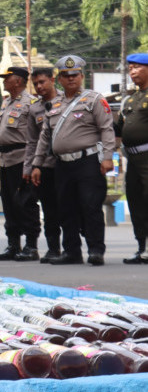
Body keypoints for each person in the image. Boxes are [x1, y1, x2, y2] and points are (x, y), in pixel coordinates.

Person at [31, 55, 115, 266]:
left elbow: (106, 129)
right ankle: (72, 252)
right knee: (65, 208)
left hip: (88, 162)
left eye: (75, 75)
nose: (71, 79)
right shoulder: (54, 105)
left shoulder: (94, 99)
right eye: (66, 76)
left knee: (90, 207)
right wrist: (37, 164)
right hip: (62, 165)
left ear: (82, 76)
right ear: (59, 79)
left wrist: (107, 157)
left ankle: (96, 250)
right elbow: (44, 137)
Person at [0, 67, 41, 262]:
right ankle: (13, 244)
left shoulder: (30, 103)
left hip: (22, 159)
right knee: (9, 202)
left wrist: (34, 163)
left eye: (7, 78)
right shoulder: (6, 102)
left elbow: (38, 135)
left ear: (19, 81)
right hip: (5, 161)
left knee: (25, 202)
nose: (4, 81)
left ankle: (31, 246)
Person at [26, 67, 63, 263]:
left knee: (69, 207)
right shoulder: (34, 109)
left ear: (52, 80)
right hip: (45, 167)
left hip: (67, 164)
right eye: (36, 83)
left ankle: (72, 248)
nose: (39, 86)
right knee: (49, 209)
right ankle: (53, 248)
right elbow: (32, 142)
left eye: (42, 82)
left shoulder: (68, 101)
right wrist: (31, 167)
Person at [117, 53, 148, 264]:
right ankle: (141, 247)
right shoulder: (130, 99)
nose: (132, 71)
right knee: (136, 201)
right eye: (130, 68)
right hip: (132, 159)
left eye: (137, 67)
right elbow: (118, 128)